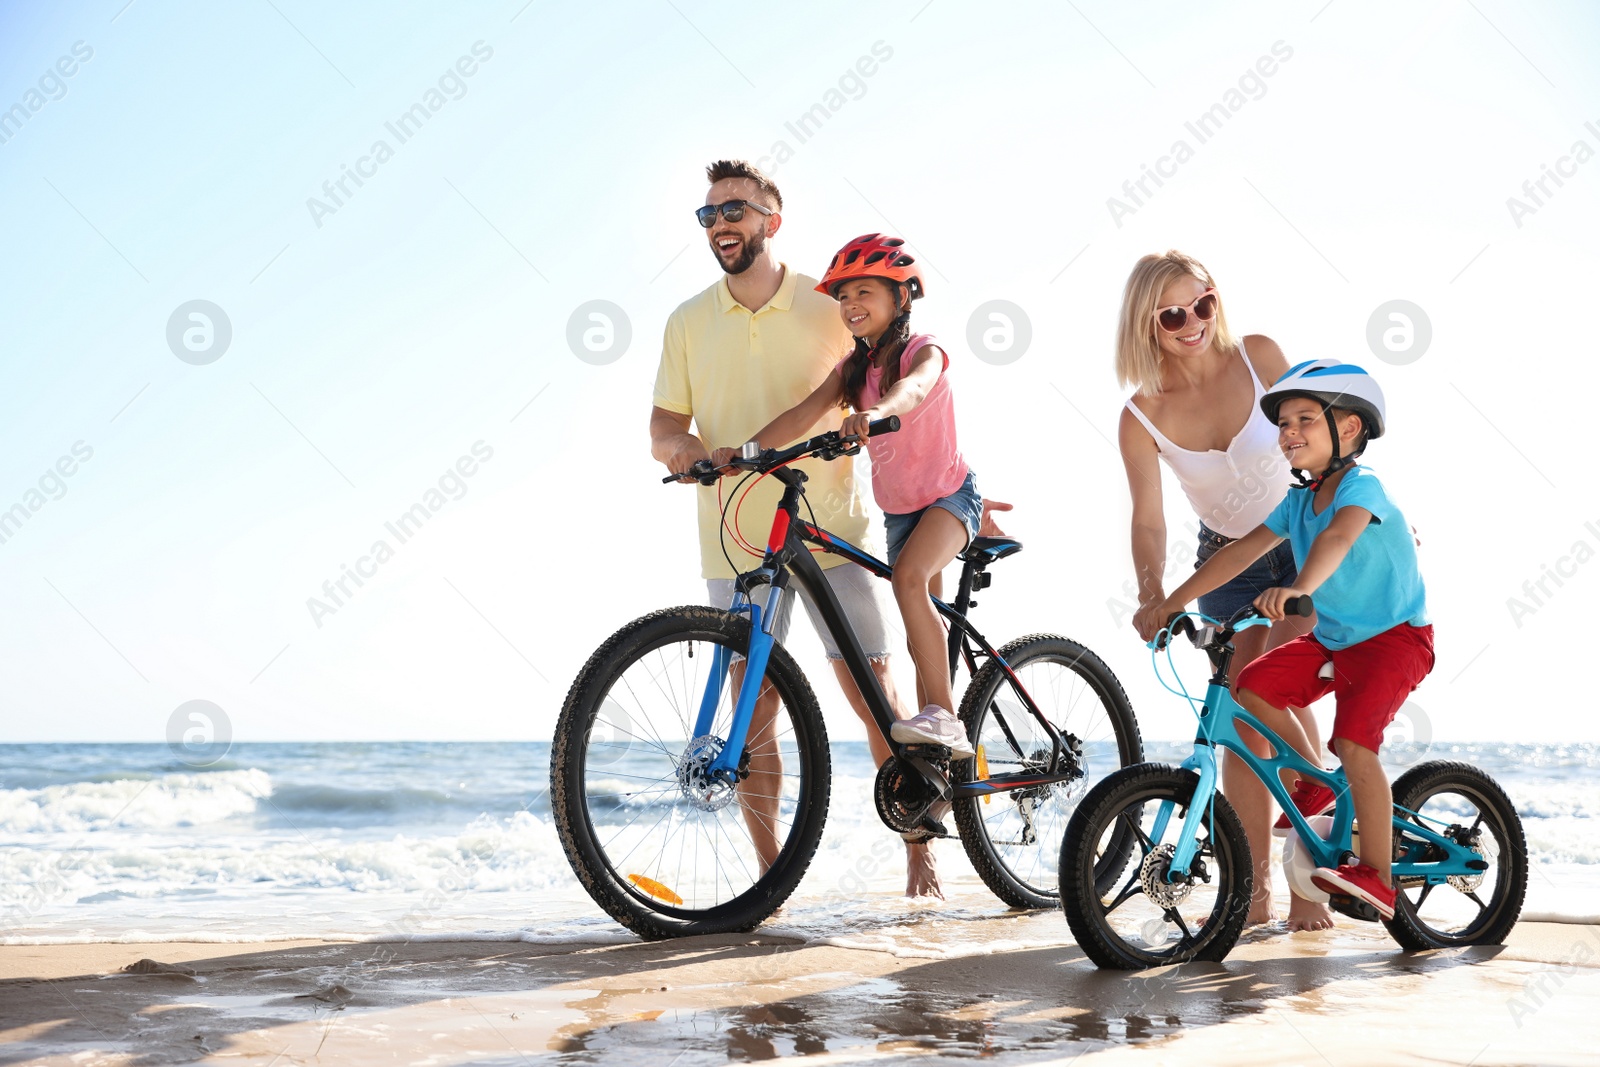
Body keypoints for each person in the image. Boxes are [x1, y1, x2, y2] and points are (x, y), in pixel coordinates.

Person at [650, 162, 944, 897]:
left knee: (869, 682)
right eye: (710, 213)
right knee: (758, 702)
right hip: (731, 535)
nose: (722, 223)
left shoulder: (828, 306)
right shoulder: (687, 320)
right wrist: (682, 451)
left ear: (770, 221)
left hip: (827, 523)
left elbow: (882, 385)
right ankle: (768, 873)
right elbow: (663, 424)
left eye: (737, 211)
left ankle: (920, 847)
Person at [1135, 359, 1432, 921]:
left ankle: (1377, 874)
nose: (1288, 433)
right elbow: (1240, 551)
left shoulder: (1363, 487)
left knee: (1355, 744)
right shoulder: (1298, 502)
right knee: (1253, 687)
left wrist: (1297, 586)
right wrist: (1172, 600)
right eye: (1283, 423)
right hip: (1335, 642)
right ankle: (1312, 786)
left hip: (1394, 641)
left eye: (1304, 420)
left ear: (1349, 430)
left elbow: (1340, 538)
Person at [1117, 251, 1331, 930]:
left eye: (1202, 303)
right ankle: (1255, 893)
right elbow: (1148, 518)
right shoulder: (1141, 413)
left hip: (1300, 545)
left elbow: (1324, 444)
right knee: (1243, 724)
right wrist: (1155, 594)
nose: (1193, 323)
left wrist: (1363, 521)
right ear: (1147, 323)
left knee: (1281, 694)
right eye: (1173, 313)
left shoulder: (1259, 356)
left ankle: (1311, 891)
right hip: (1226, 564)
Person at [713, 233, 981, 762]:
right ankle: (942, 762)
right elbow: (801, 416)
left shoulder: (920, 350)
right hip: (900, 513)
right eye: (843, 296)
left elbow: (915, 389)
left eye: (865, 292)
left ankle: (945, 719)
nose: (851, 305)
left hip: (950, 499)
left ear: (901, 298)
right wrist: (743, 453)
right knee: (918, 620)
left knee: (909, 582)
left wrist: (877, 413)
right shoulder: (852, 370)